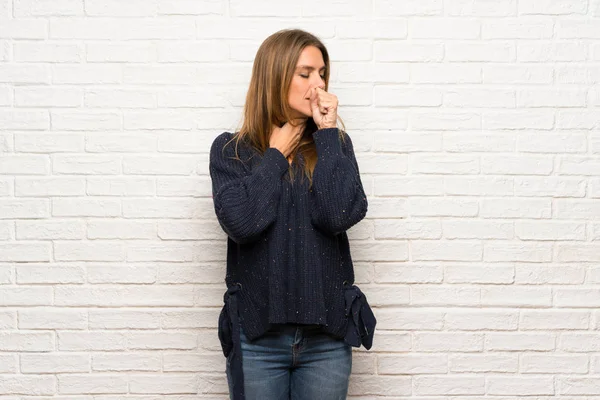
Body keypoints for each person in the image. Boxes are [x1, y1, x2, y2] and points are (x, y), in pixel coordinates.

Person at [209, 28, 376, 400]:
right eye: (305, 74)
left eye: (322, 74)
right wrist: (274, 158)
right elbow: (242, 223)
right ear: (275, 76)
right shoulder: (231, 150)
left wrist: (328, 132)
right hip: (257, 340)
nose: (318, 85)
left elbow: (339, 214)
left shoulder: (333, 145)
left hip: (326, 341)